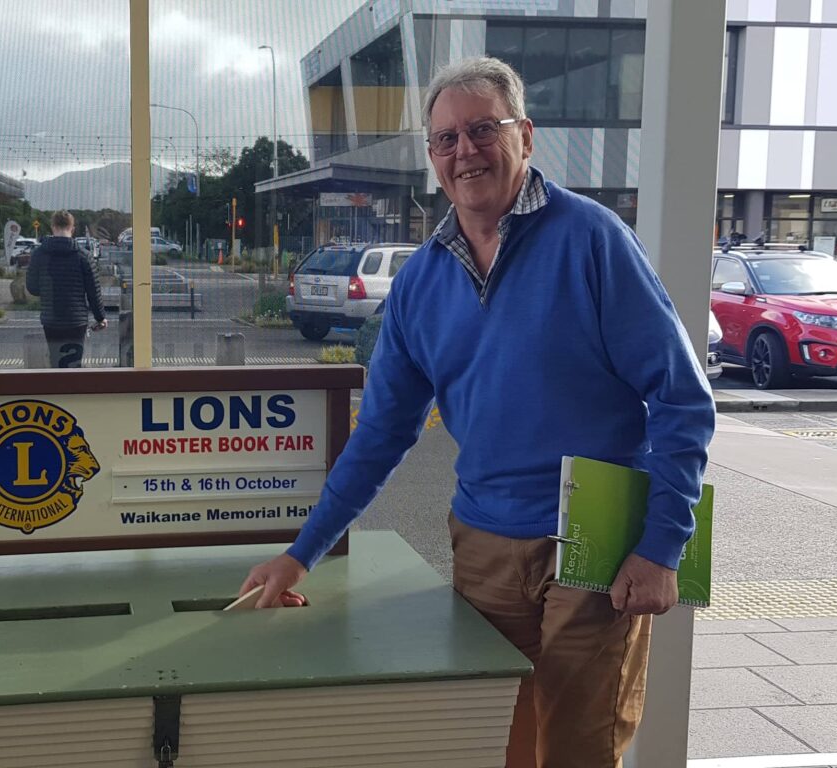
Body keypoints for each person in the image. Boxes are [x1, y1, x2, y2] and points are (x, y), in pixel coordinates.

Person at [240, 57, 716, 768]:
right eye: (446, 138)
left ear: (525, 135)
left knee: (578, 749)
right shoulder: (420, 281)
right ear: (433, 157)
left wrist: (660, 547)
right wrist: (301, 553)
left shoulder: (592, 240)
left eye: (483, 129)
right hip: (485, 542)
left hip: (597, 536)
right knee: (495, 742)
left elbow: (682, 397)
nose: (465, 150)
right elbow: (381, 435)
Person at [26, 210, 107, 368]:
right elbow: (93, 292)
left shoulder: (38, 254)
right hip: (76, 320)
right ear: (73, 229)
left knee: (56, 363)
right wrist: (100, 317)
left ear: (52, 227)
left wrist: (48, 290)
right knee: (73, 365)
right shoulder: (84, 256)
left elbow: (32, 288)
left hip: (51, 319)